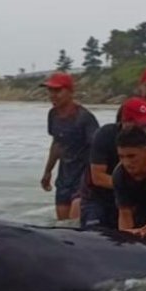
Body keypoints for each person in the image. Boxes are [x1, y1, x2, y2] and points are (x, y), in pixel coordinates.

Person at [83, 97, 146, 229]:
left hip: (133, 199)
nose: (143, 129)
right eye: (140, 124)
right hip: (100, 198)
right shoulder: (105, 135)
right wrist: (131, 188)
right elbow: (98, 177)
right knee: (95, 236)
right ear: (125, 121)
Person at [40, 72, 99, 221]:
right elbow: (57, 144)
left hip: (83, 177)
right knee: (63, 226)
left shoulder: (85, 118)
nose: (53, 95)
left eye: (58, 91)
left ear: (70, 92)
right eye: (50, 91)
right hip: (65, 176)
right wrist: (48, 172)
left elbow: (98, 149)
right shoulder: (53, 114)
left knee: (75, 223)